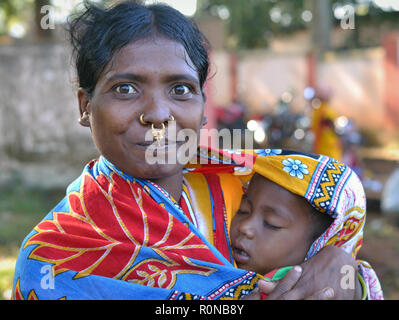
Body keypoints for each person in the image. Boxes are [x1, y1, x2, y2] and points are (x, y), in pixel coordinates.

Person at [13, 1, 372, 300]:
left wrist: (341, 266)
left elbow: (342, 204)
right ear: (84, 107)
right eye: (125, 89)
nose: (156, 113)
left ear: (202, 108)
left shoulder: (246, 193)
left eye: (180, 89)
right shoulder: (52, 259)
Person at [227, 150, 383, 300]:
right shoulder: (212, 256)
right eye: (243, 210)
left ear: (320, 243)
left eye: (271, 223)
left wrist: (340, 259)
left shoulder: (335, 287)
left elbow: (349, 283)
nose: (245, 227)